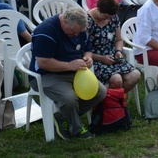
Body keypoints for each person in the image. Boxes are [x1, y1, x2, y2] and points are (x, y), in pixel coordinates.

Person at [29, 7, 107, 139]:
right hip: (46, 74)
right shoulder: (45, 31)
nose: (76, 35)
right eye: (73, 32)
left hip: (74, 71)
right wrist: (69, 65)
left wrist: (88, 58)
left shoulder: (78, 28)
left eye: (79, 32)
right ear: (64, 21)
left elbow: (87, 48)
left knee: (100, 92)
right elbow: (43, 62)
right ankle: (76, 130)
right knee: (69, 98)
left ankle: (62, 116)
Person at [87, 0, 140, 93]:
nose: (107, 19)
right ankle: (106, 104)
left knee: (135, 75)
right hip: (95, 60)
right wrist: (101, 58)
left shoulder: (113, 18)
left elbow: (118, 40)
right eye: (105, 16)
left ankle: (113, 103)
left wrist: (118, 51)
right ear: (98, 9)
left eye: (110, 17)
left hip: (112, 58)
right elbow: (84, 51)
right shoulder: (88, 22)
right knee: (117, 80)